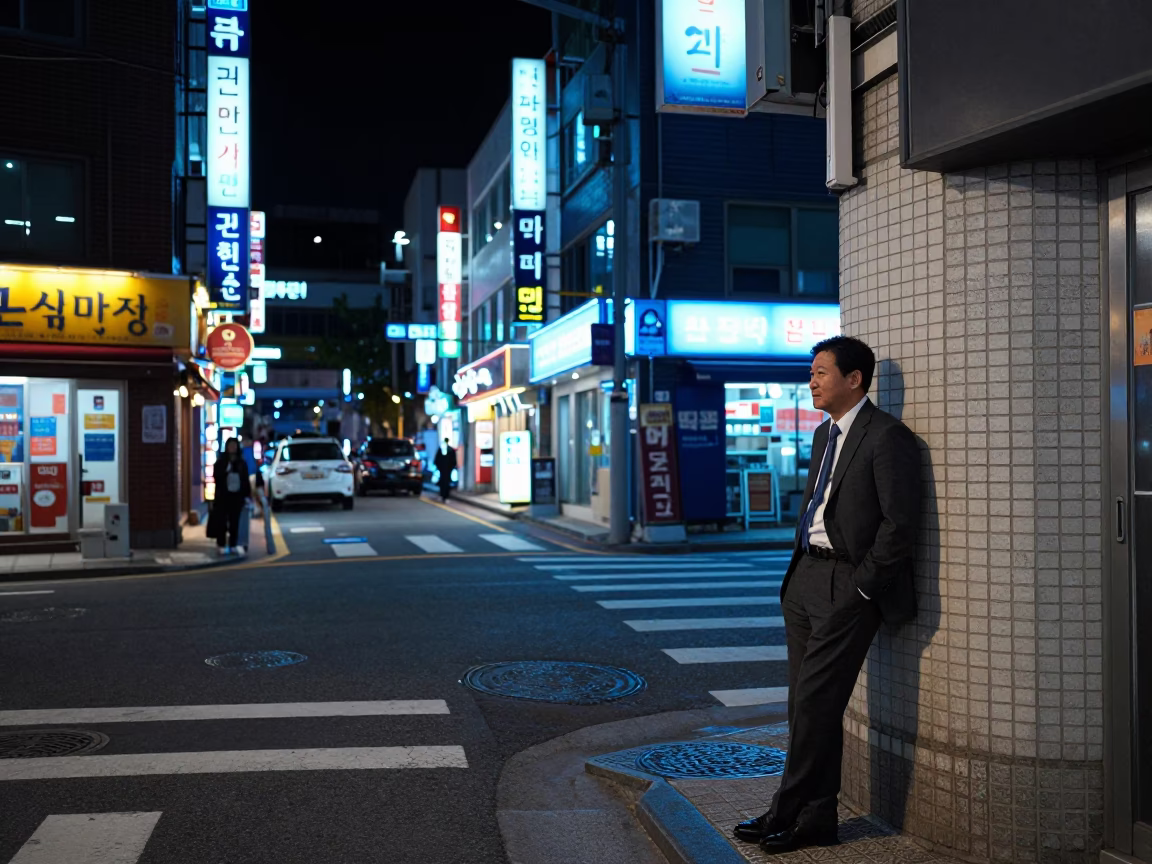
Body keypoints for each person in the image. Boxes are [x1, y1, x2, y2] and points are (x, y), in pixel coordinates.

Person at [733, 336, 921, 854]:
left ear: (854, 378)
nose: (810, 381)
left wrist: (862, 586)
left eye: (820, 372)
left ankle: (785, 808)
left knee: (815, 703)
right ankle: (818, 819)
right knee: (806, 705)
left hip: (848, 584)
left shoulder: (887, 436)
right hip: (805, 580)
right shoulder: (823, 435)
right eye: (811, 372)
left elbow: (900, 526)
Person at [212, 437, 252, 555]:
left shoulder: (241, 462)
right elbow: (216, 476)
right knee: (222, 521)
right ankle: (221, 544)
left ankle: (233, 544)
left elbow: (245, 480)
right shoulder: (221, 462)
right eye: (230, 446)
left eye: (234, 446)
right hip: (223, 496)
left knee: (235, 521)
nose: (232, 448)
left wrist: (246, 495)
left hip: (237, 497)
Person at [432, 438, 457, 502]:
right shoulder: (450, 449)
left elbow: (437, 459)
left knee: (442, 482)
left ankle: (442, 495)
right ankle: (445, 496)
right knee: (447, 483)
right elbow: (453, 461)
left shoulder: (441, 449)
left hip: (443, 469)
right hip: (448, 470)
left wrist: (438, 467)